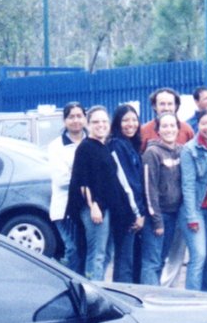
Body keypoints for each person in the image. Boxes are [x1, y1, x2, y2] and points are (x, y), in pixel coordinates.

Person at [67, 106, 136, 282]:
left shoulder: (102, 146)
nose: (101, 125)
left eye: (104, 121)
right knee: (96, 253)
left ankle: (100, 287)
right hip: (95, 209)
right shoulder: (85, 148)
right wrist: (93, 206)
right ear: (88, 124)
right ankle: (92, 291)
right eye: (96, 122)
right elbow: (82, 181)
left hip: (107, 207)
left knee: (107, 253)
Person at [139, 113, 183, 285]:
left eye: (173, 125)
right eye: (165, 126)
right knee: (152, 262)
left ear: (178, 128)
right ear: (158, 130)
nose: (169, 129)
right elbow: (149, 190)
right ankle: (148, 299)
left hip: (173, 215)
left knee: (162, 259)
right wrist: (156, 221)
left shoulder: (180, 151)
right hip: (157, 217)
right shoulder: (152, 153)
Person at [180, 109, 207, 292]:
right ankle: (192, 299)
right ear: (198, 125)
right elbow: (187, 185)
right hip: (195, 208)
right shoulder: (190, 149)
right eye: (204, 123)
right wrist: (191, 216)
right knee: (199, 256)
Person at [108, 103, 146, 283]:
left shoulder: (131, 145)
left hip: (135, 211)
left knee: (134, 260)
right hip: (127, 214)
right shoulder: (117, 145)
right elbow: (126, 183)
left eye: (134, 120)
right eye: (125, 120)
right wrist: (137, 214)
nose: (130, 124)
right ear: (117, 123)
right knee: (125, 262)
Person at [48, 102, 86, 274]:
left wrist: (75, 172)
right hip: (65, 209)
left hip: (88, 208)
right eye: (71, 117)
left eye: (79, 116)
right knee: (73, 250)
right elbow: (62, 179)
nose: (76, 120)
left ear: (85, 118)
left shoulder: (91, 141)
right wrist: (86, 176)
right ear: (64, 121)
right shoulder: (56, 146)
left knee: (87, 251)